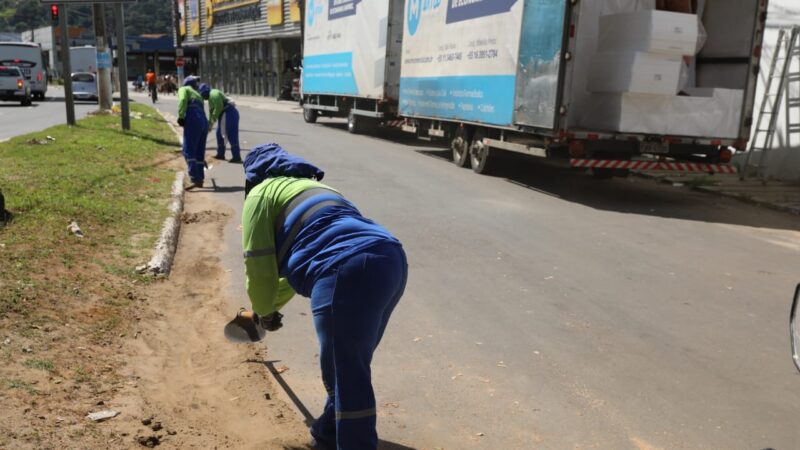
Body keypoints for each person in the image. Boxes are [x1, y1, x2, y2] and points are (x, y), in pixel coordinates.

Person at [241, 143, 408, 450]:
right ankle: (329, 433)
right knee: (348, 365)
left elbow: (260, 267)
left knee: (346, 374)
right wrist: (271, 306)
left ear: (253, 176)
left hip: (345, 270)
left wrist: (263, 312)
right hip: (390, 260)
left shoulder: (260, 195)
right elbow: (296, 266)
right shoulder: (316, 187)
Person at [177, 76, 208, 190]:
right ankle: (200, 179)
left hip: (193, 117)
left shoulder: (184, 89)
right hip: (203, 121)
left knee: (188, 150)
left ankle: (195, 178)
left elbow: (183, 100)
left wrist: (180, 116)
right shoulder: (198, 94)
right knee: (199, 151)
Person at [198, 84, 241, 163]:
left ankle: (236, 156)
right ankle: (221, 154)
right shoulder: (210, 99)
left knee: (232, 134)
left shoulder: (214, 93)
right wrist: (210, 124)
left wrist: (213, 119)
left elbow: (219, 107)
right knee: (219, 134)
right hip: (223, 115)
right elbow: (212, 112)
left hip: (229, 113)